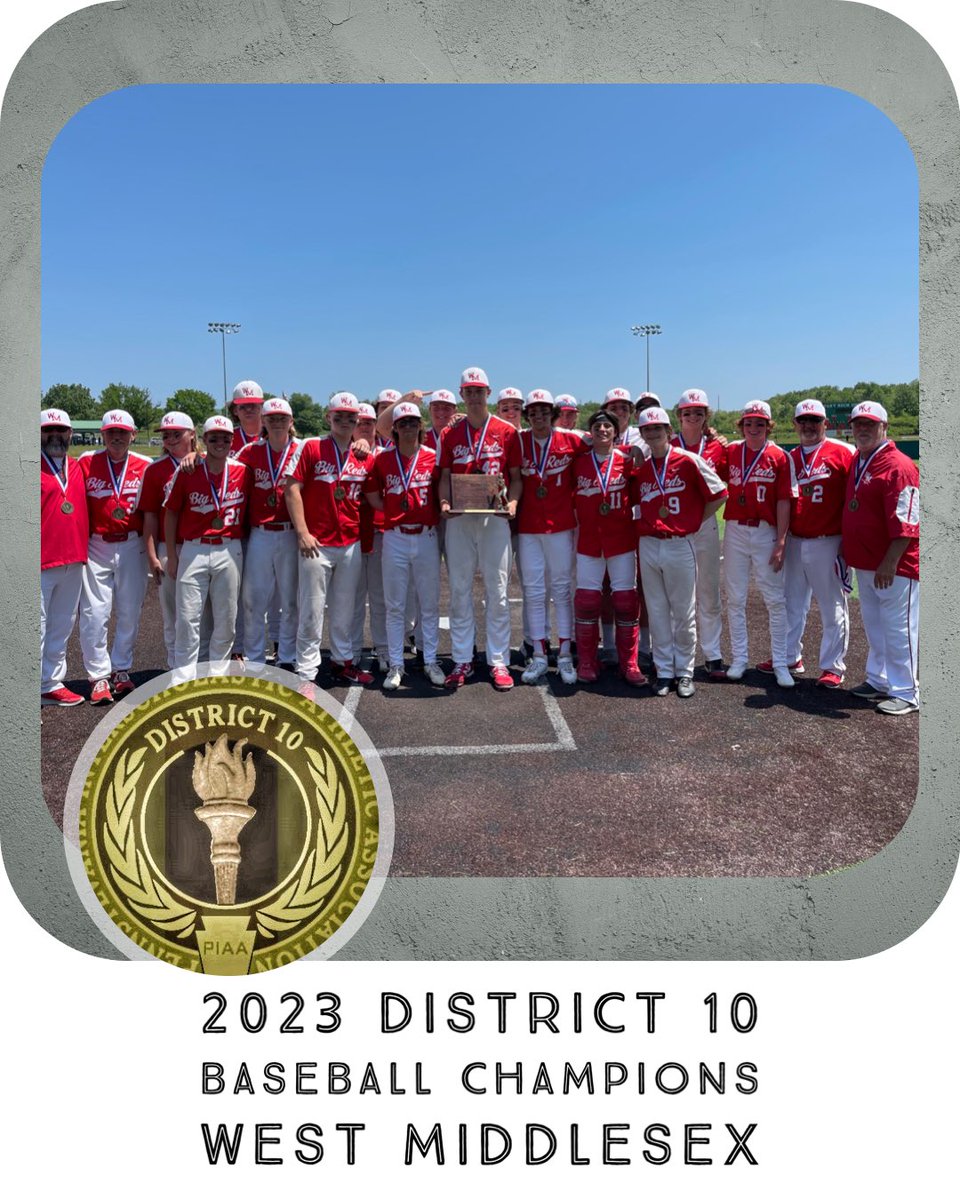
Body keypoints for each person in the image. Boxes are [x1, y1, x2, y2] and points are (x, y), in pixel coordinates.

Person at [633, 406, 727, 698]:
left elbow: (720, 492)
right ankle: (663, 671)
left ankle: (684, 672)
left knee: (683, 611)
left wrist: (694, 521)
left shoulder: (688, 460)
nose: (653, 433)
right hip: (649, 544)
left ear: (668, 432)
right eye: (647, 430)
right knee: (658, 610)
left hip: (678, 543)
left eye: (658, 429)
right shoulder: (643, 468)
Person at [438, 366, 522, 690]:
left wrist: (512, 504)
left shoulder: (506, 431)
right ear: (462, 394)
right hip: (460, 520)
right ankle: (462, 659)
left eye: (479, 390)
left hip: (494, 520)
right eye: (468, 391)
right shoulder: (449, 434)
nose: (474, 395)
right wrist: (444, 503)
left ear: (489, 393)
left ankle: (498, 660)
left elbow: (515, 478)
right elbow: (444, 477)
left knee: (497, 590)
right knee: (459, 589)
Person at [283, 392, 374, 685]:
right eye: (339, 417)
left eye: (351, 418)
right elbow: (292, 489)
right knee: (310, 610)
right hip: (317, 544)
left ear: (358, 421)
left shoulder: (364, 455)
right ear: (328, 418)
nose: (345, 422)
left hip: (350, 542)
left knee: (345, 609)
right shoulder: (312, 447)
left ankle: (341, 661)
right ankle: (306, 673)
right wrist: (302, 532)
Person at [841, 400, 919, 715]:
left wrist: (890, 561)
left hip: (894, 565)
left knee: (899, 629)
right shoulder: (860, 461)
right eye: (858, 424)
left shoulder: (898, 465)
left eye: (870, 425)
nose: (863, 429)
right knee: (875, 627)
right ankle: (879, 679)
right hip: (866, 562)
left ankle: (907, 692)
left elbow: (908, 520)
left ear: (884, 427)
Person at [362, 400, 446, 689]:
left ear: (420, 426)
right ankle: (396, 665)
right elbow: (373, 494)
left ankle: (431, 660)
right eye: (403, 423)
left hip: (426, 536)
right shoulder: (383, 459)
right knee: (395, 605)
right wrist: (393, 512)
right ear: (394, 429)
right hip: (395, 536)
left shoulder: (433, 456)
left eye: (413, 422)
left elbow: (442, 489)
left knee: (429, 603)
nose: (408, 427)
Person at [164, 415, 252, 684]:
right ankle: (183, 678)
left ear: (232, 441)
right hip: (194, 549)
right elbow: (171, 513)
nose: (220, 443)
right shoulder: (188, 469)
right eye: (213, 438)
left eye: (225, 439)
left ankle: (216, 675)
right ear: (204, 441)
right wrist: (172, 554)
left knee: (227, 617)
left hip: (228, 548)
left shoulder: (242, 471)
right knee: (188, 618)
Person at [718, 400, 798, 688]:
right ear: (741, 425)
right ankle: (740, 659)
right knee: (735, 598)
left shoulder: (779, 456)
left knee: (774, 599)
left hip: (765, 532)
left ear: (769, 426)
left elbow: (783, 500)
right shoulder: (731, 451)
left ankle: (780, 663)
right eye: (748, 423)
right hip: (736, 531)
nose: (753, 428)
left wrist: (780, 540)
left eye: (760, 423)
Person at [778, 398, 856, 688]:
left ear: (826, 423)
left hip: (829, 540)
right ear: (795, 424)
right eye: (803, 420)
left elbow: (854, 499)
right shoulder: (788, 457)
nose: (809, 425)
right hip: (796, 540)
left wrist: (849, 540)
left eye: (815, 420)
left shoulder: (844, 452)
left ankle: (832, 666)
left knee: (832, 605)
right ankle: (789, 657)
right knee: (791, 602)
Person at [77, 409, 151, 703]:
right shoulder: (86, 461)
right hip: (97, 544)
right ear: (103, 435)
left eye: (122, 432)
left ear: (132, 434)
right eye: (111, 433)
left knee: (130, 611)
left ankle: (121, 670)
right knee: (95, 613)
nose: (117, 438)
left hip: (133, 544)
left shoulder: (146, 465)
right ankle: (97, 675)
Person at [572, 408, 646, 686]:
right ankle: (588, 661)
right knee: (588, 601)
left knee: (626, 602)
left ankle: (629, 662)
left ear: (616, 432)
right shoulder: (577, 462)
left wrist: (630, 450)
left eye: (608, 426)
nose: (602, 430)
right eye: (597, 426)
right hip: (589, 541)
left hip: (621, 540)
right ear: (590, 432)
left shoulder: (629, 461)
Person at [516, 389, 580, 685]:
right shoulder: (517, 440)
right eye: (533, 411)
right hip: (529, 527)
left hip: (561, 526)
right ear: (527, 414)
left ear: (553, 413)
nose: (539, 416)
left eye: (544, 411)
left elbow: (605, 444)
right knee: (533, 590)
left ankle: (565, 653)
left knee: (562, 589)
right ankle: (540, 655)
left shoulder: (573, 440)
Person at [139, 411, 209, 670]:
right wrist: (153, 556)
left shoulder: (208, 462)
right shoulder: (155, 470)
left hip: (200, 547)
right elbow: (150, 518)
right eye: (166, 435)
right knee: (173, 615)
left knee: (202, 613)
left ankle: (201, 666)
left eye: (176, 434)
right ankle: (175, 666)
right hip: (169, 547)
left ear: (192, 434)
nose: (169, 439)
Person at [235, 397, 300, 669]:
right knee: (254, 599)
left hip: (290, 533)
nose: (276, 422)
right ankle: (255, 658)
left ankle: (287, 656)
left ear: (291, 422)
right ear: (263, 421)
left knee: (290, 599)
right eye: (271, 418)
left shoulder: (302, 449)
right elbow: (223, 469)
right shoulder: (250, 452)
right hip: (260, 533)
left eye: (282, 418)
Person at [671, 388, 729, 679]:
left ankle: (713, 652)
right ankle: (676, 651)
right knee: (678, 592)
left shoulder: (719, 447)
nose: (693, 416)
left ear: (706, 416)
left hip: (705, 523)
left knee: (708, 590)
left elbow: (725, 486)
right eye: (687, 412)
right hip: (676, 526)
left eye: (698, 412)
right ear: (679, 415)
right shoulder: (668, 445)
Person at [40, 408, 89, 707]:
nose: (55, 435)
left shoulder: (79, 467)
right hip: (40, 561)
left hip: (73, 559)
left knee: (62, 624)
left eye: (61, 430)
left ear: (71, 433)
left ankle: (50, 683)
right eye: (48, 430)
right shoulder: (28, 466)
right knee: (36, 627)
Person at [352, 402, 389, 671]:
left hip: (379, 532)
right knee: (352, 598)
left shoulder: (386, 455)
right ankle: (352, 650)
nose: (364, 426)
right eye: (360, 422)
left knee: (380, 597)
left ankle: (384, 647)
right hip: (351, 533)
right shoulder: (344, 454)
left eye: (369, 422)